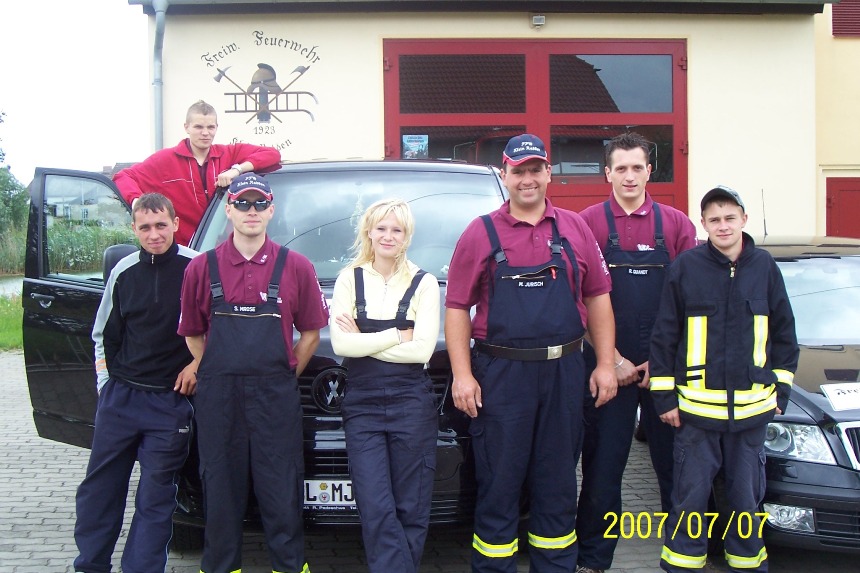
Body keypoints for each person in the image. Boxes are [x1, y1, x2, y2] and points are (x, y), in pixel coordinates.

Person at [445, 133, 617, 573]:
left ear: (548, 173)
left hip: (564, 373)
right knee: (499, 483)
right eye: (518, 171)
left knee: (557, 484)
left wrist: (604, 363)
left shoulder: (575, 228)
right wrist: (462, 374)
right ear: (505, 175)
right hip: (502, 377)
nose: (527, 179)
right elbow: (458, 306)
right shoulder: (480, 232)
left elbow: (598, 297)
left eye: (535, 170)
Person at [178, 173, 329, 573]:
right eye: (242, 203)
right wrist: (215, 368)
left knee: (281, 489)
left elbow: (311, 334)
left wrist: (284, 375)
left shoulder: (296, 266)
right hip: (219, 398)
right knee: (221, 489)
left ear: (271, 211)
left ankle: (289, 566)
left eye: (259, 203)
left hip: (275, 397)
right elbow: (192, 334)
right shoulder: (201, 268)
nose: (251, 211)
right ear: (228, 210)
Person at [649, 185, 798, 573]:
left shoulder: (765, 267)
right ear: (703, 224)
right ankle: (683, 565)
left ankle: (746, 565)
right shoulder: (685, 268)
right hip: (696, 415)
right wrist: (665, 398)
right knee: (689, 500)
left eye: (730, 218)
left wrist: (781, 390)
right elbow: (665, 336)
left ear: (744, 219)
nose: (723, 226)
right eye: (714, 219)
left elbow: (784, 333)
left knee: (746, 502)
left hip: (751, 415)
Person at [575, 132, 698, 573]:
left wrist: (662, 362)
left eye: (637, 167)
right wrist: (613, 360)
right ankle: (593, 560)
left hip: (665, 368)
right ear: (607, 173)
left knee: (676, 468)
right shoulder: (585, 224)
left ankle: (683, 556)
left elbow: (692, 304)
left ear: (650, 171)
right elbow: (576, 301)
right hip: (606, 368)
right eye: (621, 168)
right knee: (603, 469)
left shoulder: (678, 226)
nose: (629, 176)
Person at [74, 193, 197, 573]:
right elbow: (102, 335)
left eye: (161, 225)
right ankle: (91, 564)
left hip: (170, 403)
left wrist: (198, 364)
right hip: (121, 399)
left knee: (156, 499)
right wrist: (105, 385)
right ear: (134, 229)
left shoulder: (197, 268)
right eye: (145, 227)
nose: (154, 234)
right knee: (99, 490)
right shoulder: (123, 271)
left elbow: (216, 330)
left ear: (175, 224)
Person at [330, 198, 441, 573]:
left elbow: (422, 351)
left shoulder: (425, 283)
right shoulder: (349, 279)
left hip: (412, 403)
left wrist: (364, 340)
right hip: (362, 405)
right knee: (375, 503)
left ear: (407, 235)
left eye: (397, 229)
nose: (388, 236)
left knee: (411, 504)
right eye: (381, 228)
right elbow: (342, 346)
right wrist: (397, 334)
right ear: (369, 231)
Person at [114, 100, 282, 246]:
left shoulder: (228, 154)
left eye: (211, 127)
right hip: (187, 251)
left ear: (217, 128)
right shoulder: (165, 160)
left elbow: (272, 154)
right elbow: (124, 176)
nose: (205, 133)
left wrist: (236, 170)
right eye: (198, 127)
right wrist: (137, 202)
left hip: (226, 250)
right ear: (186, 127)